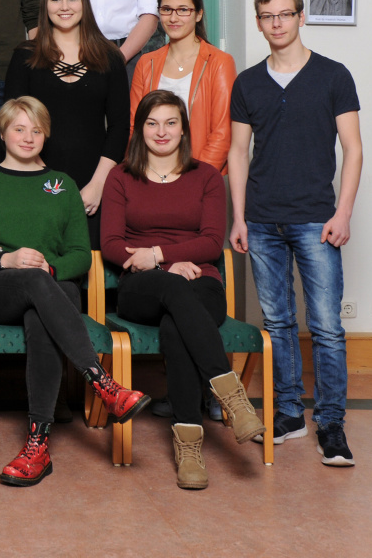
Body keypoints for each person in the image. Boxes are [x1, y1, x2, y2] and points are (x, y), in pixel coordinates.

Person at [0, 96, 150, 487]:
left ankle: (37, 447)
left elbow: (81, 255)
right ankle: (103, 383)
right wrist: (4, 260)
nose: (28, 137)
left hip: (54, 289)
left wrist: (51, 268)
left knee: (40, 309)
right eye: (19, 128)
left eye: (37, 130)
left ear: (46, 135)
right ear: (3, 133)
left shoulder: (63, 185)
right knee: (34, 282)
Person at [102, 90, 265, 490]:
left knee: (177, 325)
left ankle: (188, 445)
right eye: (152, 123)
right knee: (174, 290)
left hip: (200, 280)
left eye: (171, 123)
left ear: (183, 129)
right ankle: (231, 395)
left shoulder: (206, 176)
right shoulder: (120, 176)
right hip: (140, 286)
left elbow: (210, 243)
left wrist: (158, 252)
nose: (162, 131)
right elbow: (111, 244)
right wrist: (162, 265)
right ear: (140, 130)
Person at [229, 0, 362, 467]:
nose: (277, 23)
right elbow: (238, 152)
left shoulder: (333, 75)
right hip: (263, 219)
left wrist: (343, 212)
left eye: (285, 14)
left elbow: (354, 150)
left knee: (325, 327)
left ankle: (331, 424)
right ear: (259, 23)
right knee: (278, 322)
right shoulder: (247, 83)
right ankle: (289, 412)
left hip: (316, 219)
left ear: (301, 17)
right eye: (268, 16)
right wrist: (239, 217)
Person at [4, 0, 129, 247]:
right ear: (45, 5)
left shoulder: (110, 57)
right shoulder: (25, 56)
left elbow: (120, 127)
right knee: (39, 264)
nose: (64, 7)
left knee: (91, 267)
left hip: (94, 186)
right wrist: (44, 180)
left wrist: (98, 185)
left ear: (84, 3)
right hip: (35, 181)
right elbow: (13, 125)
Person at [130, 0, 236, 173]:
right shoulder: (146, 63)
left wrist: (195, 180)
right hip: (150, 174)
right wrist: (145, 172)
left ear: (198, 14)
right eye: (167, 10)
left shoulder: (220, 62)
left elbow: (222, 133)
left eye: (183, 10)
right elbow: (134, 127)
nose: (173, 18)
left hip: (201, 174)